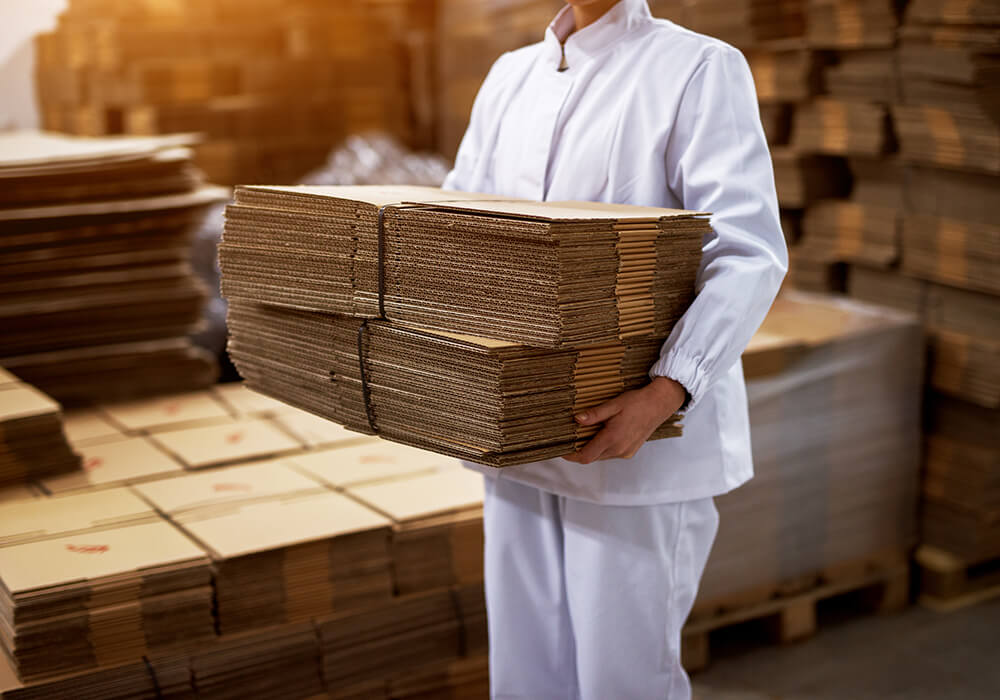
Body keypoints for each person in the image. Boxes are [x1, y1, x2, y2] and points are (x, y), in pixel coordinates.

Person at [442, 0, 787, 697]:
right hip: (519, 445)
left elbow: (747, 252)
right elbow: (457, 228)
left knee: (622, 679)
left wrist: (666, 392)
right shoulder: (510, 77)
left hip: (640, 447)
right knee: (525, 673)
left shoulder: (698, 68)